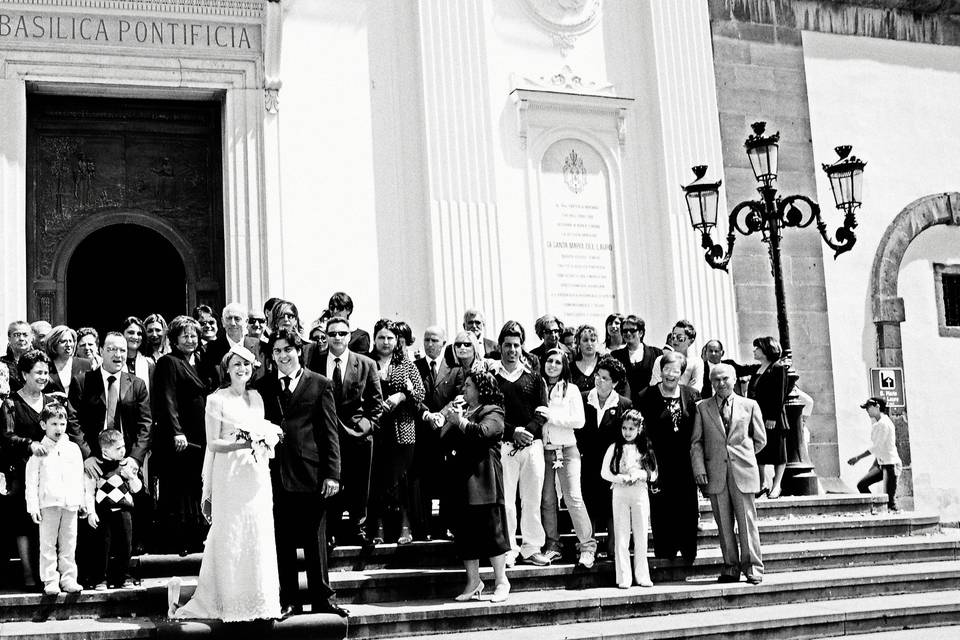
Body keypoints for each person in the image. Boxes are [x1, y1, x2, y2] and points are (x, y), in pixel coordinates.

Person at [169, 345, 282, 621]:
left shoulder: (256, 397)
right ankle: (229, 601)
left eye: (246, 365)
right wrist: (242, 443)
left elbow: (264, 428)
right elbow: (213, 443)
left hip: (255, 473)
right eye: (236, 365)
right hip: (229, 473)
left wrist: (267, 439)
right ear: (227, 369)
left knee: (256, 531)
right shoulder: (216, 400)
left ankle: (259, 601)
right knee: (231, 532)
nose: (242, 369)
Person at [255, 329, 345, 617]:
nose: (283, 355)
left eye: (288, 350)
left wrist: (333, 474)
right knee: (282, 538)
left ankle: (322, 597)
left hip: (311, 473)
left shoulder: (320, 384)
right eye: (277, 351)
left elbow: (330, 433)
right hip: (275, 474)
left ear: (299, 351)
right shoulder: (263, 385)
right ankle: (289, 599)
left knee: (314, 538)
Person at [3, 350, 83, 590]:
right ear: (24, 373)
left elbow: (69, 428)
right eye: (37, 372)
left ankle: (63, 576)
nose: (43, 377)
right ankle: (30, 575)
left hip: (55, 474)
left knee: (61, 532)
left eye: (46, 372)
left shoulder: (53, 402)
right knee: (26, 523)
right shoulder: (11, 404)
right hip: (22, 470)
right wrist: (30, 445)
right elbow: (6, 436)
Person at [72, 332, 154, 566]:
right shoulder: (83, 381)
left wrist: (135, 459)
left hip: (124, 459)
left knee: (126, 513)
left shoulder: (136, 384)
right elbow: (74, 421)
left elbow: (145, 424)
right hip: (95, 460)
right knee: (94, 513)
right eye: (112, 349)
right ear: (101, 351)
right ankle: (96, 571)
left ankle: (124, 569)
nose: (118, 354)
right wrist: (87, 456)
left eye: (121, 349)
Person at [430, 370, 511, 603]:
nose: (463, 389)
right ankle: (473, 582)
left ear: (480, 388)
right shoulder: (460, 411)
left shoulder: (493, 410)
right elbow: (443, 438)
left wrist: (461, 422)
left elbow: (485, 433)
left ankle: (501, 581)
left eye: (468, 385)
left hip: (485, 481)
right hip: (462, 482)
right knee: (465, 534)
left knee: (492, 532)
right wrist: (447, 416)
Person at [307, 316, 383, 547]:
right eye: (332, 334)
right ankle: (330, 531)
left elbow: (376, 403)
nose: (337, 338)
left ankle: (358, 529)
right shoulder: (315, 362)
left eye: (342, 333)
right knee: (330, 484)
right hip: (327, 436)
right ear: (326, 337)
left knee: (359, 485)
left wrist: (365, 427)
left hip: (358, 436)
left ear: (350, 336)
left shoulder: (366, 363)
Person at [691, 363, 766, 584]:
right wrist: (700, 469)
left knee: (747, 522)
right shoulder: (702, 407)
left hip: (742, 471)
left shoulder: (750, 405)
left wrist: (744, 456)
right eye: (716, 380)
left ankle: (753, 567)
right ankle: (731, 566)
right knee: (723, 524)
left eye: (725, 379)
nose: (721, 383)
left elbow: (760, 440)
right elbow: (696, 443)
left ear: (734, 380)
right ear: (711, 382)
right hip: (715, 473)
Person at [492, 321, 551, 567]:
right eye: (507, 345)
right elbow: (489, 413)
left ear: (522, 347)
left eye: (516, 345)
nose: (512, 350)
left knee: (531, 498)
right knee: (506, 501)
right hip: (505, 447)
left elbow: (543, 411)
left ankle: (531, 547)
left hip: (532, 446)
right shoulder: (492, 379)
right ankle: (509, 549)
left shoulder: (535, 379)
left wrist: (527, 432)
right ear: (500, 346)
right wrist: (512, 432)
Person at [152, 315, 212, 556]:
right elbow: (167, 399)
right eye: (185, 335)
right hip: (181, 437)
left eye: (194, 335)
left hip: (202, 434)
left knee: (197, 485)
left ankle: (199, 536)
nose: (190, 339)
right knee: (180, 489)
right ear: (175, 339)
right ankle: (180, 540)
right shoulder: (168, 362)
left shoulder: (202, 362)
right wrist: (176, 431)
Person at [636, 351, 701, 564]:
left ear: (681, 373)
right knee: (661, 508)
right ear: (660, 371)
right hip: (657, 460)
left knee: (687, 506)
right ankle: (666, 551)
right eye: (667, 369)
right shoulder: (646, 395)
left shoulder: (691, 395)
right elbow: (641, 432)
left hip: (684, 461)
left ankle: (688, 550)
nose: (671, 374)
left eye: (676, 371)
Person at [367, 319, 425, 545]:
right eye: (381, 337)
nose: (385, 342)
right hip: (377, 429)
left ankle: (405, 526)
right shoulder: (367, 362)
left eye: (390, 338)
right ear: (374, 339)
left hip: (402, 429)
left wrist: (401, 396)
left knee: (401, 479)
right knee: (378, 479)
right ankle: (378, 528)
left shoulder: (406, 364)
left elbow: (420, 393)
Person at [538, 348, 596, 567]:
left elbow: (579, 421)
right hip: (544, 450)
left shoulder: (570, 390)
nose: (552, 365)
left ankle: (587, 547)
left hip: (568, 450)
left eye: (557, 362)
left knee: (573, 497)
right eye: (549, 361)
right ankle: (553, 545)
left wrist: (552, 417)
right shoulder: (538, 386)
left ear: (564, 366)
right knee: (547, 500)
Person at [25, 400, 86, 595]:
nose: (58, 428)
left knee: (69, 543)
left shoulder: (73, 449)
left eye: (62, 423)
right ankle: (50, 580)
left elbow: (79, 477)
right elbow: (32, 480)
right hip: (48, 503)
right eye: (53, 424)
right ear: (43, 425)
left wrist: (82, 501)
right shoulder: (38, 451)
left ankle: (69, 579)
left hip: (70, 504)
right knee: (48, 544)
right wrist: (33, 506)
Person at [412, 326, 462, 540]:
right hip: (423, 431)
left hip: (446, 432)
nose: (430, 344)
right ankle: (424, 529)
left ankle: (446, 525)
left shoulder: (455, 368)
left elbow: (459, 396)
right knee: (423, 481)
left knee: (447, 481)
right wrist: (427, 415)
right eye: (426, 339)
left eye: (434, 340)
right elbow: (413, 397)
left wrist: (440, 416)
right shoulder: (415, 367)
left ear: (443, 343)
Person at [578, 356, 632, 555]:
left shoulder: (625, 404)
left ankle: (613, 547)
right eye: (598, 376)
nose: (599, 381)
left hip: (612, 464)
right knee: (587, 503)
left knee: (612, 505)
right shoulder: (583, 398)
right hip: (586, 461)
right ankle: (588, 548)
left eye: (605, 378)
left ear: (615, 382)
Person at [601, 410, 657, 589]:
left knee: (641, 536)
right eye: (624, 428)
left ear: (639, 429)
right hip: (620, 493)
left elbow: (654, 473)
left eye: (631, 428)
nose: (627, 432)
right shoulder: (615, 447)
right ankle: (624, 576)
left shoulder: (645, 447)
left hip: (640, 492)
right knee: (622, 535)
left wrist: (641, 474)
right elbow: (604, 472)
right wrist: (619, 478)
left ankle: (642, 575)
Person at [82, 429, 143, 590]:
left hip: (124, 511)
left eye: (123, 446)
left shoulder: (126, 466)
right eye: (118, 448)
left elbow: (136, 489)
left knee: (125, 545)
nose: (122, 450)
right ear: (105, 450)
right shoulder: (96, 468)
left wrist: (131, 477)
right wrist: (91, 512)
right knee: (103, 546)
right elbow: (89, 491)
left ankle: (123, 577)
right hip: (104, 512)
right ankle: (100, 578)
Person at [745, 336, 789, 499]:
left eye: (757, 348)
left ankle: (776, 485)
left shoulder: (777, 368)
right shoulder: (758, 369)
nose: (754, 351)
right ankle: (762, 483)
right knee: (760, 451)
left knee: (778, 452)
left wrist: (773, 417)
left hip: (773, 418)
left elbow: (779, 395)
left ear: (766, 350)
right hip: (758, 416)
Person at [848, 397, 901, 511]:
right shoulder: (880, 423)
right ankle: (874, 508)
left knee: (890, 502)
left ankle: (894, 521)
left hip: (891, 465)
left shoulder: (883, 423)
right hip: (882, 464)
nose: (867, 410)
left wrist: (858, 458)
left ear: (877, 406)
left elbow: (877, 447)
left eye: (868, 407)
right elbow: (880, 449)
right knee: (862, 485)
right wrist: (875, 464)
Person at [610, 315, 661, 405]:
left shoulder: (656, 353)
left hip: (651, 404)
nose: (628, 333)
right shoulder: (615, 356)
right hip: (625, 405)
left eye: (632, 330)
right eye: (625, 331)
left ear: (641, 333)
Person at [650, 320, 704, 390]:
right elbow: (654, 387)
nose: (675, 340)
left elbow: (696, 390)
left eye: (680, 338)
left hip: (688, 401)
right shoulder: (660, 360)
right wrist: (686, 388)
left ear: (691, 341)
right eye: (673, 337)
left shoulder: (696, 362)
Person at [44, 325, 93, 396]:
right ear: (53, 344)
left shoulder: (86, 364)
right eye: (64, 341)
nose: (68, 345)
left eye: (70, 341)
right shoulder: (45, 366)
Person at [120, 317, 154, 392]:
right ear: (122, 334)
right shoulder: (114, 361)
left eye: (139, 334)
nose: (135, 337)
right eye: (131, 332)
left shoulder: (149, 364)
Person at [4, 321, 36, 393]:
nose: (21, 338)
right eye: (16, 335)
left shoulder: (40, 361)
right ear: (9, 338)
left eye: (25, 335)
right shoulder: (2, 364)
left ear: (31, 338)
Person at [569, 324, 601, 393]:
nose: (589, 344)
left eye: (593, 340)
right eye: (585, 340)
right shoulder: (571, 368)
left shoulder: (605, 362)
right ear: (578, 344)